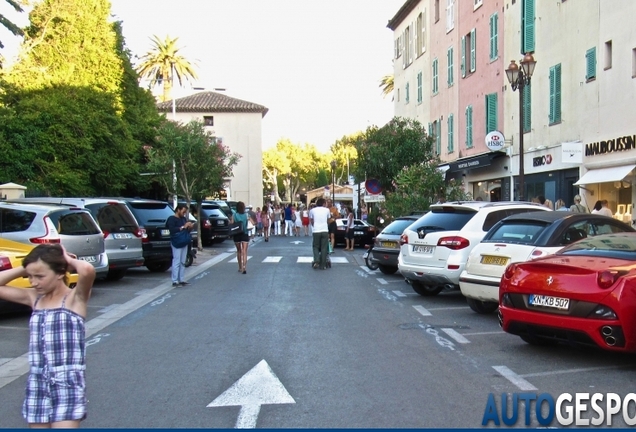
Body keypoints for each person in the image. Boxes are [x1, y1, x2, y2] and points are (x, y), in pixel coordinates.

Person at [0, 244, 96, 427]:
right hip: (37, 381)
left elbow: (87, 269)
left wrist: (67, 260)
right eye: (29, 277)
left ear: (60, 273)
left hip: (67, 381)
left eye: (40, 276)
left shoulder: (75, 298)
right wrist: (28, 265)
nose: (33, 282)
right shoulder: (33, 297)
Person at [166, 204, 194, 287]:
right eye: (183, 211)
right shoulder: (171, 219)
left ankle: (181, 279)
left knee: (182, 261)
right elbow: (172, 230)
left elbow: (186, 230)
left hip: (183, 241)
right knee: (176, 261)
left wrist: (190, 227)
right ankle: (174, 280)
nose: (184, 213)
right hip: (176, 241)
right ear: (178, 210)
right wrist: (183, 227)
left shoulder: (183, 219)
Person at [310, 198, 331, 269]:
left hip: (316, 230)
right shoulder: (327, 210)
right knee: (324, 247)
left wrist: (314, 225)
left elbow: (311, 220)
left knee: (315, 246)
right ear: (323, 203)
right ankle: (323, 264)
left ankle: (316, 260)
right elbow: (328, 220)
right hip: (324, 230)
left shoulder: (312, 210)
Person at [231, 201, 250, 274]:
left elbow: (232, 223)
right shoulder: (246, 215)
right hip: (244, 233)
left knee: (239, 251)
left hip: (237, 234)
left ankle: (240, 267)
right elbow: (252, 222)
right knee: (244, 251)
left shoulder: (234, 215)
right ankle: (244, 267)